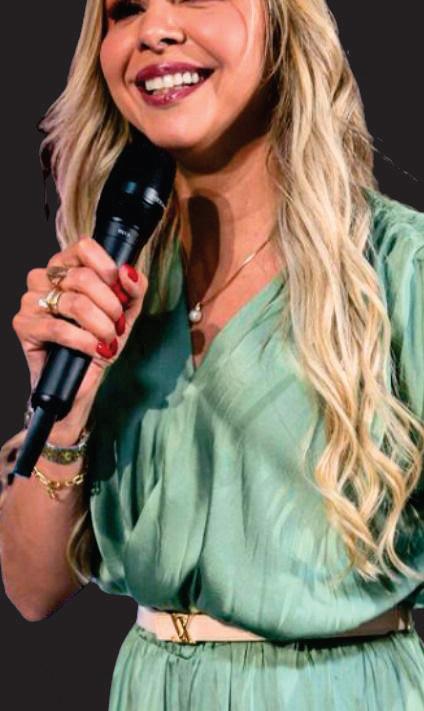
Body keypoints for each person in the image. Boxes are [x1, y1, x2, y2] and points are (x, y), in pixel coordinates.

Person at [1, 0, 424, 707]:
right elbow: (32, 589)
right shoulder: (111, 282)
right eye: (125, 10)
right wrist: (65, 416)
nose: (155, 29)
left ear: (284, 21)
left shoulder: (400, 270)